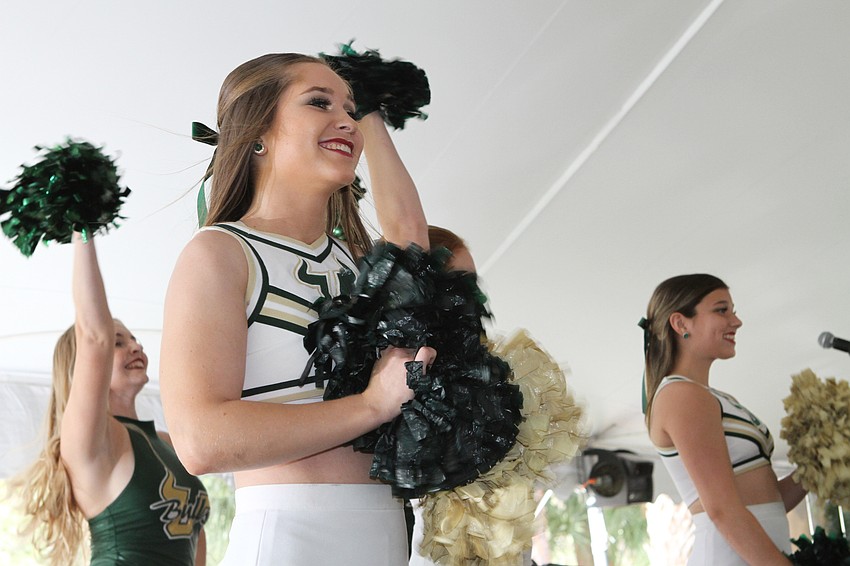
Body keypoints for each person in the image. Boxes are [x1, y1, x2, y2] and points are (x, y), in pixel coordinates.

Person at [159, 53, 435, 565]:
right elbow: (200, 442)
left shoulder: (360, 262)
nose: (346, 121)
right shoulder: (220, 252)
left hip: (387, 534)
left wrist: (370, 107)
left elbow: (412, 247)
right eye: (319, 102)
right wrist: (371, 406)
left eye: (351, 109)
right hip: (288, 536)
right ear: (257, 132)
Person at [12, 233, 209, 566]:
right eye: (119, 342)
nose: (136, 346)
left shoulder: (166, 442)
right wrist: (82, 225)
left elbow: (193, 546)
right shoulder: (91, 442)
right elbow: (94, 337)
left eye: (133, 338)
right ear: (87, 370)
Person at [641, 274, 806, 565]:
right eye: (721, 310)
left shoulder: (714, 397)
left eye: (733, 309)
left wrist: (819, 468)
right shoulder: (681, 395)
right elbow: (722, 510)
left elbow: (768, 502)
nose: (736, 321)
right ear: (681, 324)